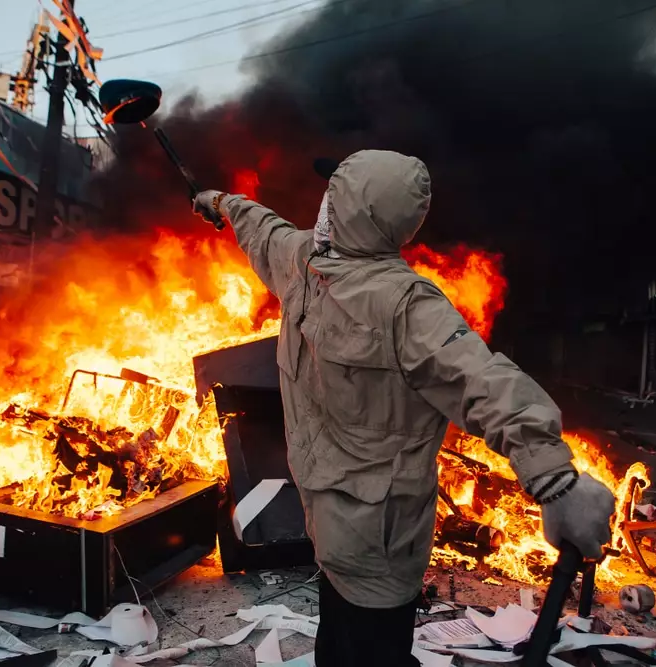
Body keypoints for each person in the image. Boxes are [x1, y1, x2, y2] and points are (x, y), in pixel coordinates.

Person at [193, 150, 615, 667]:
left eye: (334, 194)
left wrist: (555, 479)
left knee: (370, 651)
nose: (322, 202)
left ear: (352, 211)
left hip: (379, 547)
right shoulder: (304, 261)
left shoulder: (407, 306)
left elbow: (485, 381)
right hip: (330, 524)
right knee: (341, 645)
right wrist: (222, 204)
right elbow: (263, 228)